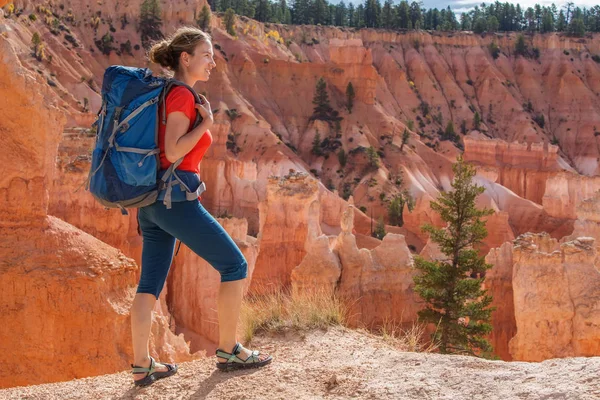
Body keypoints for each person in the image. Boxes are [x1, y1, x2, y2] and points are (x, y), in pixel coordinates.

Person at [129, 27, 272, 387]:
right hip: (175, 200)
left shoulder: (166, 93)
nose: (212, 61)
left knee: (149, 284)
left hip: (152, 203)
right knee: (234, 265)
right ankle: (229, 350)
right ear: (185, 58)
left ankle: (142, 363)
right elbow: (174, 150)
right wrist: (206, 122)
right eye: (206, 54)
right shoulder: (180, 95)